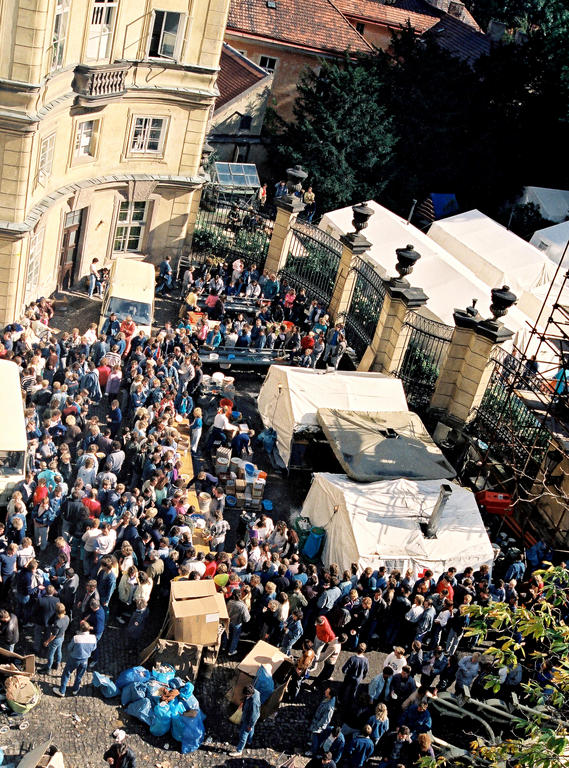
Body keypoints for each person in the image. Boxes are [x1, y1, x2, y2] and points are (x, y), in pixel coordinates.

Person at [52, 620, 97, 697]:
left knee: (66, 673)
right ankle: (75, 690)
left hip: (74, 659)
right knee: (79, 675)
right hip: (85, 660)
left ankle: (62, 691)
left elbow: (69, 648)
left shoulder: (76, 638)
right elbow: (94, 648)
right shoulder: (93, 638)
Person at [229, 684, 261, 756]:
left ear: (250, 694)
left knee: (243, 734)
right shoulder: (255, 691)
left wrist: (250, 725)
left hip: (249, 719)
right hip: (250, 718)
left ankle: (239, 750)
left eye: (246, 695)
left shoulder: (254, 702)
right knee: (251, 729)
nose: (245, 696)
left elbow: (254, 716)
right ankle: (249, 741)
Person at [40, 602, 69, 672]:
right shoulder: (67, 617)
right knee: (59, 650)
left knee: (51, 654)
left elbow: (54, 635)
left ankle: (48, 668)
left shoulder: (57, 623)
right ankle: (57, 663)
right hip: (62, 636)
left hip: (56, 639)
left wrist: (47, 641)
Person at [307, 687, 336, 756]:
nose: (325, 691)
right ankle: (313, 744)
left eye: (327, 691)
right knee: (314, 735)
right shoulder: (329, 699)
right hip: (317, 720)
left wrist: (317, 725)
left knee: (315, 736)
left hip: (319, 725)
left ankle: (313, 751)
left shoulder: (329, 707)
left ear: (329, 695)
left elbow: (325, 720)